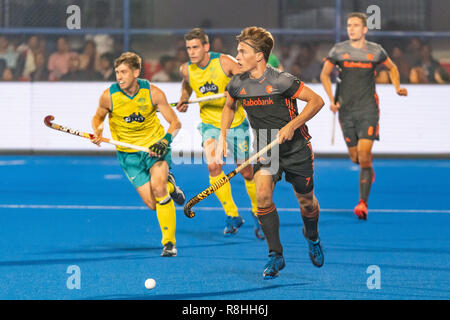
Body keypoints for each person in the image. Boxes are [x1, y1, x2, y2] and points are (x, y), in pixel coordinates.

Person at [218, 26, 325, 279]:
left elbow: (317, 101)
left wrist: (291, 125)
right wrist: (222, 135)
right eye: (237, 52)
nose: (237, 57)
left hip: (296, 147)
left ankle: (312, 236)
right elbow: (229, 108)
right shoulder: (236, 83)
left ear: (259, 56)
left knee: (307, 203)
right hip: (265, 148)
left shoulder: (281, 80)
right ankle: (275, 255)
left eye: (242, 52)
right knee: (263, 198)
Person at [90, 52, 186, 257]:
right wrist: (98, 132)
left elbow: (175, 123)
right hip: (128, 155)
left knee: (158, 188)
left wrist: (164, 142)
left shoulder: (153, 93)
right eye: (117, 72)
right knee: (153, 204)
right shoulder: (109, 96)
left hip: (154, 148)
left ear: (136, 72)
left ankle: (169, 243)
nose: (119, 77)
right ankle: (172, 185)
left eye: (124, 72)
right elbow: (97, 118)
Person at [177, 28, 263, 239]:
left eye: (195, 47)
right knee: (214, 165)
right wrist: (184, 97)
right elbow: (187, 85)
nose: (191, 52)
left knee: (246, 172)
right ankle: (232, 215)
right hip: (209, 124)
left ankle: (258, 212)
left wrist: (235, 87)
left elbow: (248, 78)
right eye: (188, 48)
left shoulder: (224, 62)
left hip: (235, 122)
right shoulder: (186, 69)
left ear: (206, 47)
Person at [320, 12, 408, 220]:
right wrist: (332, 99)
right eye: (349, 25)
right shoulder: (339, 50)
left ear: (365, 29)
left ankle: (362, 203)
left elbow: (392, 67)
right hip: (346, 111)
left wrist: (397, 87)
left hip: (368, 109)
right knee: (356, 157)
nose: (351, 28)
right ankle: (367, 169)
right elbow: (325, 74)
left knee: (364, 153)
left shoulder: (375, 51)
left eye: (356, 25)